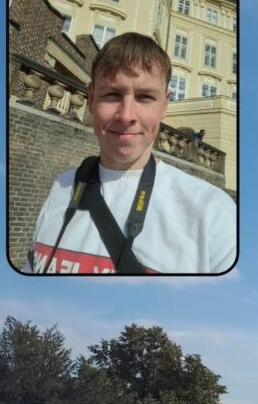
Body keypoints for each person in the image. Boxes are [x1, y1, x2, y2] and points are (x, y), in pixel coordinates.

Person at [23, 32, 237, 275]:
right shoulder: (60, 187)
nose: (126, 116)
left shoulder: (213, 212)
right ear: (91, 98)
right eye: (112, 95)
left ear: (165, 104)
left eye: (145, 97)